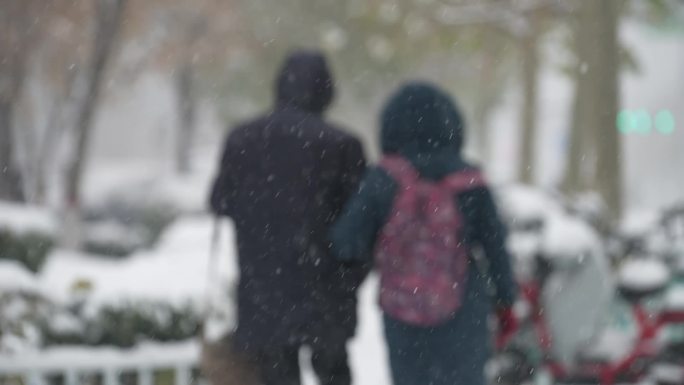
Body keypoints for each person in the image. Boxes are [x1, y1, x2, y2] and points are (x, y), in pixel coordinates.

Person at [329, 82, 518, 385]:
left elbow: (346, 243)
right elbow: (496, 246)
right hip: (462, 307)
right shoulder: (470, 180)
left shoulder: (383, 179)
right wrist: (506, 299)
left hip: (402, 309)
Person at [209, 50, 369, 385]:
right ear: (326, 90)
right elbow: (362, 221)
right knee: (334, 372)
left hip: (264, 286)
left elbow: (220, 202)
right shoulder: (343, 145)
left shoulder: (242, 139)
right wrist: (352, 276)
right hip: (326, 285)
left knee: (276, 374)